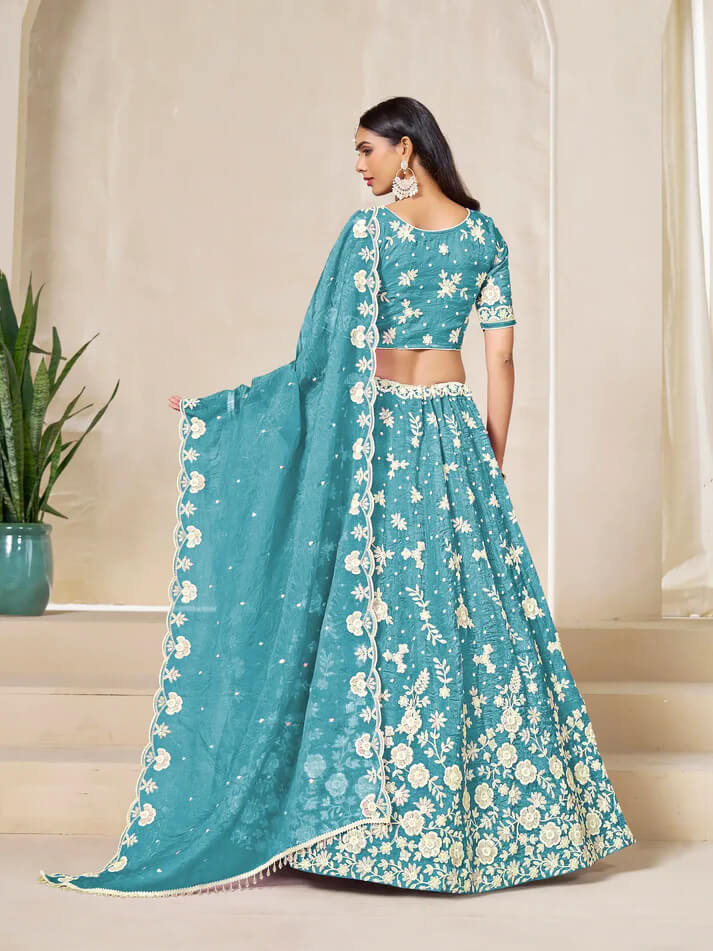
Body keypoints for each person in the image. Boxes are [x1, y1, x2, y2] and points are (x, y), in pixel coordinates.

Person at [39, 96, 635, 898]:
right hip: (453, 431)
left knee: (375, 614)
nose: (358, 166)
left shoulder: (371, 235)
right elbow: (501, 362)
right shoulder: (484, 236)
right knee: (467, 615)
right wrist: (489, 457)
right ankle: (502, 828)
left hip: (380, 435)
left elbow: (316, 362)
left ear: (405, 149)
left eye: (366, 150)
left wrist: (227, 411)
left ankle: (366, 834)